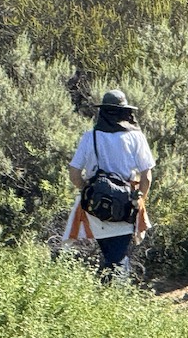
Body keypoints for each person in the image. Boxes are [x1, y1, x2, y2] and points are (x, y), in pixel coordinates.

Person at [66, 89, 155, 281]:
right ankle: (118, 296)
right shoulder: (136, 137)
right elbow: (146, 176)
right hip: (125, 208)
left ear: (104, 112)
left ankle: (105, 295)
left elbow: (74, 173)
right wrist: (138, 200)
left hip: (95, 209)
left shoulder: (90, 137)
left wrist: (89, 190)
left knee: (110, 256)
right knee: (118, 259)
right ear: (125, 112)